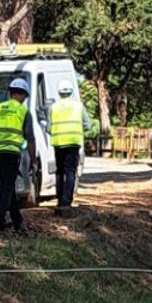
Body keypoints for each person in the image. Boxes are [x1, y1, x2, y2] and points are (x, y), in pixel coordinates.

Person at [0, 77, 36, 234]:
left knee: (7, 186)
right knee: (6, 187)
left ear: (10, 93)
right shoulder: (24, 112)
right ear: (24, 95)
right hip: (10, 153)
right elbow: (30, 139)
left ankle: (17, 220)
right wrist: (33, 160)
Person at [48, 79, 89, 213]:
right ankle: (67, 200)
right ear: (71, 92)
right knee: (71, 171)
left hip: (59, 143)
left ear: (59, 93)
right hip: (73, 142)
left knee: (59, 171)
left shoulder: (53, 107)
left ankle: (59, 199)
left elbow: (48, 127)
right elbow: (87, 125)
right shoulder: (79, 106)